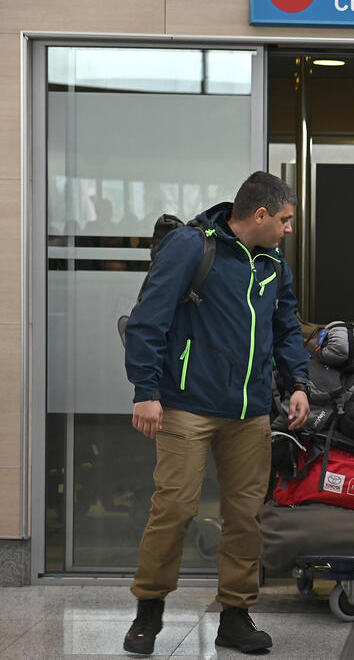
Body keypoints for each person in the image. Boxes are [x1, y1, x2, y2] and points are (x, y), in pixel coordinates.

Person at [122, 171, 311, 655]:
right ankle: (149, 609)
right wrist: (146, 390)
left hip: (249, 410)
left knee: (246, 515)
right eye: (286, 220)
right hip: (186, 405)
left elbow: (287, 326)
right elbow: (148, 317)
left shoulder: (273, 264)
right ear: (261, 214)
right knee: (175, 508)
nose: (289, 229)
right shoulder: (192, 246)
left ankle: (235, 615)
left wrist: (298, 383)